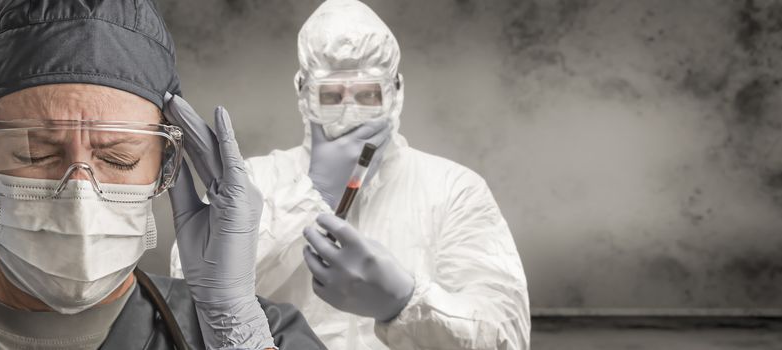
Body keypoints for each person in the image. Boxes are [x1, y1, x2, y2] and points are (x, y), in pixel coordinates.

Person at [0, 1, 325, 349]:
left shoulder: (272, 335)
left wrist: (235, 328)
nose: (80, 195)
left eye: (119, 159)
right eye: (36, 152)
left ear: (166, 166)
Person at [171, 0, 531, 348]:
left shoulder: (452, 190)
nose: (349, 113)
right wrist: (311, 195)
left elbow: (506, 336)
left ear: (396, 91)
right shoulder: (252, 182)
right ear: (303, 91)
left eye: (367, 95)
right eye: (331, 96)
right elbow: (191, 301)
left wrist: (405, 303)